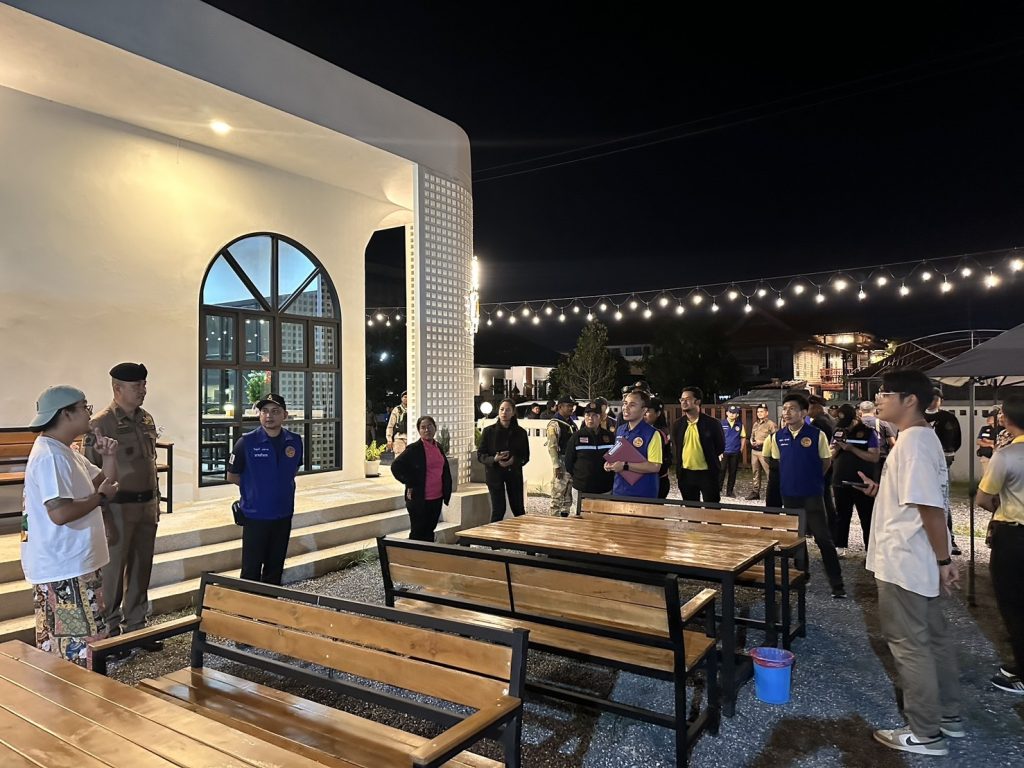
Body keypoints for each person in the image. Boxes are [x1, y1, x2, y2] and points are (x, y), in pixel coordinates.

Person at [859, 368, 962, 756]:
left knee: (909, 645)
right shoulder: (919, 438)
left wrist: (944, 559)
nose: (879, 399)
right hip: (917, 558)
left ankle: (924, 732)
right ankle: (948, 716)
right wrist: (881, 490)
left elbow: (930, 508)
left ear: (910, 400)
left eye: (886, 393)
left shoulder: (914, 442)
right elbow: (917, 499)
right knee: (933, 639)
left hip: (905, 561)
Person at [22, 386, 119, 667]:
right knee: (75, 651)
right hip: (64, 571)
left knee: (83, 642)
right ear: (65, 414)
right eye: (84, 407)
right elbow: (60, 513)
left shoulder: (65, 451)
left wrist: (109, 457)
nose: (89, 412)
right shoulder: (50, 456)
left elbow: (103, 483)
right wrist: (100, 499)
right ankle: (78, 695)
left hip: (75, 565)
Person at [86, 362, 163, 652]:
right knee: (113, 571)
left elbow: (150, 464)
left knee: (142, 567)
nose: (143, 390)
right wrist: (101, 514)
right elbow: (90, 473)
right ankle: (110, 631)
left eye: (144, 384)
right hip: (117, 508)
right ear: (117, 388)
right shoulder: (100, 424)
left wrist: (156, 502)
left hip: (146, 505)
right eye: (136, 386)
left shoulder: (146, 419)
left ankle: (137, 626)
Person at [763, 393, 846, 598]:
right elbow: (776, 462)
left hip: (812, 495)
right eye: (784, 409)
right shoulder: (778, 437)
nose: (787, 413)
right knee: (797, 540)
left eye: (792, 409)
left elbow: (826, 462)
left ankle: (837, 584)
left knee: (823, 538)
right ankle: (802, 576)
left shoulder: (817, 435)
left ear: (803, 412)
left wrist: (813, 479)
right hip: (789, 495)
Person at [975, 392, 1024, 695]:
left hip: (1014, 537)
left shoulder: (1006, 455)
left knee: (1014, 603)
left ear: (1008, 418)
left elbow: (983, 498)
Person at [227, 393, 303, 585]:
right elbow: (232, 476)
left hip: (283, 515)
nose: (269, 416)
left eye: (275, 411)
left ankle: (269, 604)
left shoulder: (294, 441)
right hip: (255, 516)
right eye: (265, 411)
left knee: (275, 569)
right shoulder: (246, 442)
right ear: (259, 415)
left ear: (285, 415)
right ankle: (248, 604)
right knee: (251, 570)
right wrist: (256, 488)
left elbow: (293, 470)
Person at [390, 416, 453, 542]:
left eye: (429, 426)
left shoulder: (438, 447)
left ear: (435, 428)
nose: (427, 430)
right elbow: (396, 466)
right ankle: (414, 554)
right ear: (419, 431)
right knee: (418, 532)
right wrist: (410, 482)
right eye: (423, 427)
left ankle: (428, 553)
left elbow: (444, 470)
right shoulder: (414, 449)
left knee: (430, 530)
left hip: (437, 497)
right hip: (419, 498)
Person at [830, 403, 879, 556]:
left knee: (867, 516)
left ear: (856, 418)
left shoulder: (868, 432)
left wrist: (851, 448)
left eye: (848, 423)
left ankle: (870, 550)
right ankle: (840, 545)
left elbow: (874, 456)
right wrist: (838, 447)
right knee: (842, 515)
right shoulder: (838, 430)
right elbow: (830, 455)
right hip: (840, 480)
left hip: (862, 482)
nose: (845, 426)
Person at [477, 399, 530, 522]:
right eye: (501, 409)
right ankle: (495, 534)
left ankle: (519, 533)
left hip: (514, 473)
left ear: (513, 412)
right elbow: (480, 455)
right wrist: (494, 459)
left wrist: (513, 460)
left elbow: (525, 456)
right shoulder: (489, 431)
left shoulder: (520, 433)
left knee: (518, 508)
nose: (504, 413)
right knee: (499, 509)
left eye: (507, 410)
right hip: (494, 474)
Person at [925, 389, 962, 556]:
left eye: (936, 398)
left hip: (943, 461)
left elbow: (957, 439)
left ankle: (949, 538)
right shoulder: (918, 417)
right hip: (922, 462)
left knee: (943, 499)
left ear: (941, 400)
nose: (933, 401)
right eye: (930, 398)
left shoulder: (948, 418)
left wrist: (948, 452)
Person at [605, 389, 662, 498]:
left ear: (644, 410)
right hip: (619, 490)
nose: (626, 408)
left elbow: (655, 467)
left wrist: (625, 466)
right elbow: (615, 452)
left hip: (642, 493)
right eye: (625, 403)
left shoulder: (652, 434)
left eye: (632, 405)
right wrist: (609, 462)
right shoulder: (620, 429)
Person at [564, 403, 615, 497]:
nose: (590, 418)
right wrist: (580, 477)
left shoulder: (610, 437)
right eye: (588, 415)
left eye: (595, 415)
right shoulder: (576, 437)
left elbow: (615, 459)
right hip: (581, 488)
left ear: (600, 418)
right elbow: (568, 463)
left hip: (604, 488)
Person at [808, 394, 838, 534]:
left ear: (815, 407)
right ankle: (830, 528)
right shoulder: (830, 419)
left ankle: (821, 528)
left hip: (821, 464)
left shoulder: (818, 423)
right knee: (826, 497)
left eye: (808, 407)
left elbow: (815, 448)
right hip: (831, 462)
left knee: (820, 499)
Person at [546, 395, 579, 516]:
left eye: (572, 406)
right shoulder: (554, 424)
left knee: (568, 499)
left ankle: (565, 520)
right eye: (569, 406)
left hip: (571, 464)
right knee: (557, 496)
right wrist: (556, 465)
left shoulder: (572, 424)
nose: (571, 408)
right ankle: (554, 522)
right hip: (561, 462)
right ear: (560, 407)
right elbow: (552, 446)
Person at [643, 397, 673, 498]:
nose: (644, 414)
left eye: (648, 411)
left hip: (657, 481)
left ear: (658, 413)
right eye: (643, 409)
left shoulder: (659, 433)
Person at [747, 403, 777, 500]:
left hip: (765, 452)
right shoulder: (756, 424)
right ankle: (755, 492)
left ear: (766, 413)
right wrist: (751, 441)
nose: (759, 413)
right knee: (755, 472)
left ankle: (773, 492)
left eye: (762, 411)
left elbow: (775, 439)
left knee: (769, 473)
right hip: (754, 451)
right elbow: (752, 435)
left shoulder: (771, 424)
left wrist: (762, 442)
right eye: (758, 412)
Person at [719, 405, 747, 497]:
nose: (732, 414)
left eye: (734, 413)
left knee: (733, 472)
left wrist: (741, 449)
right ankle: (718, 489)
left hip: (735, 452)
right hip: (723, 452)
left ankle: (729, 491)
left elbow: (743, 437)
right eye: (730, 412)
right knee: (721, 470)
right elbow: (717, 438)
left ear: (737, 415)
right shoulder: (721, 424)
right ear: (727, 413)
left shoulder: (740, 425)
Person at [860, 400, 897, 469]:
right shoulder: (882, 423)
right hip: (880, 459)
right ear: (874, 410)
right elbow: (892, 442)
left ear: (860, 411)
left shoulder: (856, 423)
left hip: (859, 457)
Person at [385, 391, 409, 457]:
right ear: (401, 398)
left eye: (408, 397)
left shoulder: (413, 409)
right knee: (399, 458)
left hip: (411, 437)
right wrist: (389, 439)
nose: (406, 399)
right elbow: (390, 425)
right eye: (405, 397)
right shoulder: (397, 410)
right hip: (399, 438)